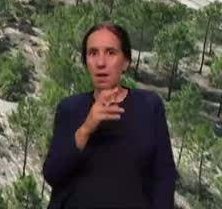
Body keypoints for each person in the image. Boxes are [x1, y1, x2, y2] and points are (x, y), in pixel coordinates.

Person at [42, 22, 176, 208]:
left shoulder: (149, 106)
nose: (101, 62)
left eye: (111, 52)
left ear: (126, 62)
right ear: (86, 62)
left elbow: (164, 175)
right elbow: (53, 174)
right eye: (93, 53)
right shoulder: (70, 109)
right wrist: (86, 129)